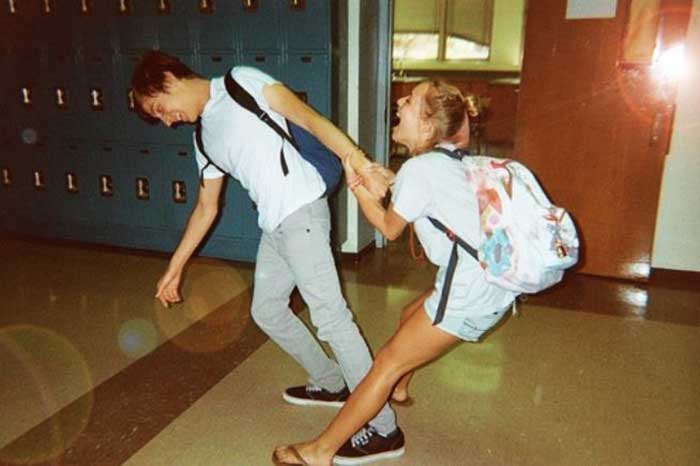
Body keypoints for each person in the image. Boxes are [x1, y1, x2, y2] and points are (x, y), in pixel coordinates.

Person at [130, 50, 402, 463]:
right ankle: (332, 383)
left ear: (167, 79)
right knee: (267, 310)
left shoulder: (240, 82)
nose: (167, 121)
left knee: (332, 320)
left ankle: (383, 428)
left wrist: (360, 163)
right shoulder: (202, 139)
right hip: (274, 225)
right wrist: (175, 268)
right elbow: (206, 206)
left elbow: (310, 119)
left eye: (160, 109)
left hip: (302, 210)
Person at [272, 80, 518, 465]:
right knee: (408, 316)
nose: (400, 101)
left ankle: (320, 451)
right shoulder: (450, 160)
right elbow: (410, 191)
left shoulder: (421, 169)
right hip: (490, 282)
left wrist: (357, 187)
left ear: (427, 126)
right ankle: (399, 390)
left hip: (470, 292)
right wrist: (377, 178)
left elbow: (389, 227)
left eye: (411, 100)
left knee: (384, 363)